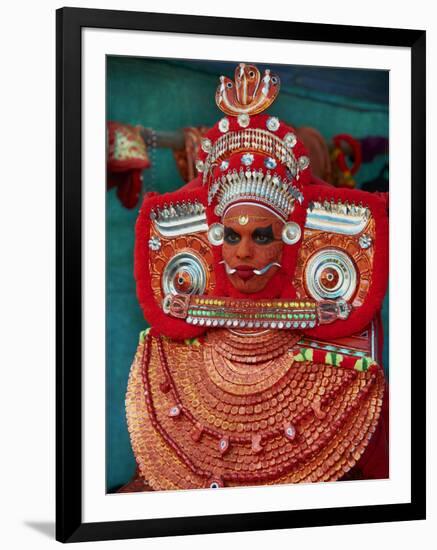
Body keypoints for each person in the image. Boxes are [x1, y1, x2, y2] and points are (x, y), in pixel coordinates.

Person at [122, 63, 389, 492]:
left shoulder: (343, 362)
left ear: (288, 240)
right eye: (232, 235)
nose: (243, 252)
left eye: (260, 236)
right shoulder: (165, 352)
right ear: (213, 239)